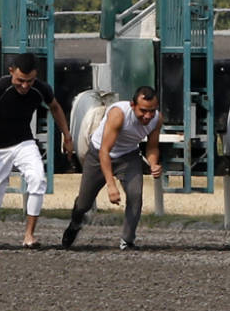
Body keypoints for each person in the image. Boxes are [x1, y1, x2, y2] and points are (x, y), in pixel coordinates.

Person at [0, 52, 75, 248]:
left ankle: (29, 236)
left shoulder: (41, 89)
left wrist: (67, 136)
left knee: (37, 179)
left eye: (30, 81)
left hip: (24, 142)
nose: (25, 86)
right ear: (11, 72)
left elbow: (56, 108)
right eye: (20, 81)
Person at [63, 86, 164, 250]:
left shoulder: (157, 119)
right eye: (143, 111)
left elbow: (152, 147)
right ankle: (75, 223)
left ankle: (127, 240)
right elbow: (104, 151)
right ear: (133, 105)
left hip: (129, 155)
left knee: (135, 195)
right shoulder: (119, 114)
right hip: (99, 155)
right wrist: (111, 185)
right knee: (84, 203)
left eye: (152, 111)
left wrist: (153, 164)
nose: (148, 116)